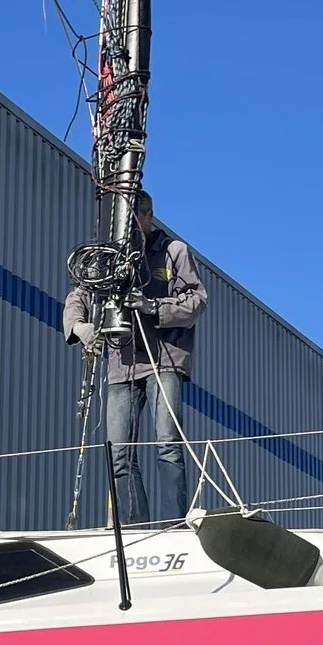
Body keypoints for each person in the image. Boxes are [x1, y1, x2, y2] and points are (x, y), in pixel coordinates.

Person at [61, 190, 208, 523]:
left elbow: (197, 300)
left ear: (148, 216)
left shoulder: (173, 251)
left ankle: (173, 524)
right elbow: (78, 296)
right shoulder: (108, 257)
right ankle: (132, 526)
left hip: (164, 361)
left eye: (133, 222)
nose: (128, 231)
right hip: (121, 364)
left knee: (167, 444)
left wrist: (153, 306)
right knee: (118, 452)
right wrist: (80, 328)